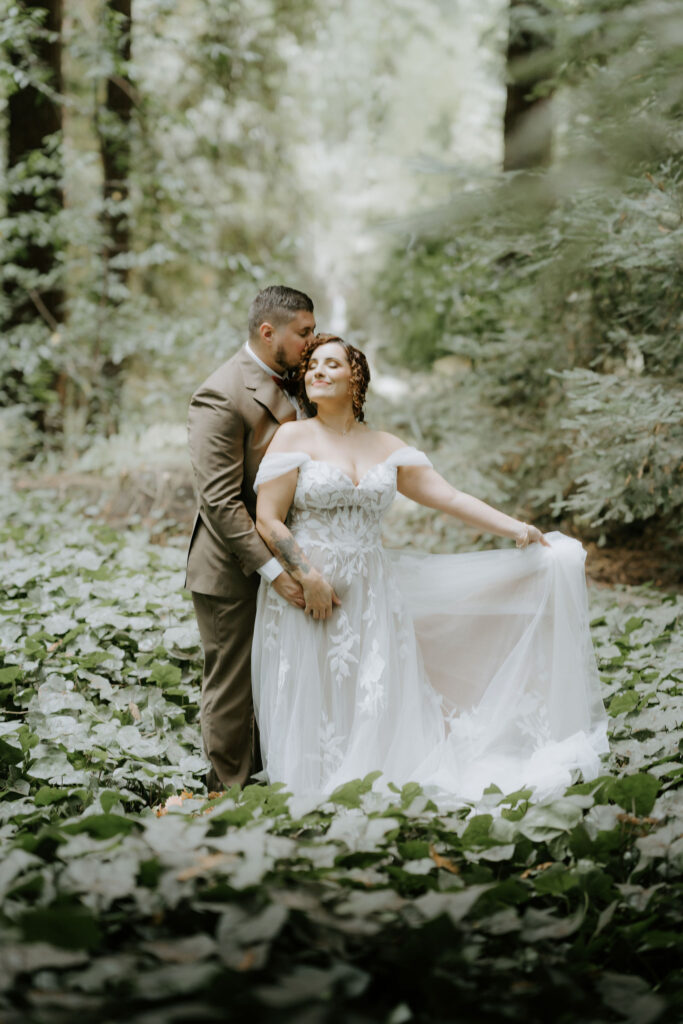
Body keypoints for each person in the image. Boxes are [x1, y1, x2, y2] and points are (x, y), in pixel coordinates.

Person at [251, 335, 609, 800]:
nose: (317, 371)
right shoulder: (293, 436)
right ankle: (309, 797)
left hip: (372, 593)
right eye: (313, 365)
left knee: (371, 692)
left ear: (355, 377)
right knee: (314, 692)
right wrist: (307, 576)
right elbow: (268, 518)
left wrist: (519, 529)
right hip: (309, 594)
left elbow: (450, 497)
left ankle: (371, 791)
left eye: (331, 364)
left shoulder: (386, 445)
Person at [185, 285, 316, 792]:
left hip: (289, 555)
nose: (311, 341)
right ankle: (228, 792)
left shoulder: (301, 380)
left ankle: (272, 774)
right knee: (234, 686)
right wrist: (275, 571)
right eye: (303, 332)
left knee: (276, 674)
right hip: (233, 568)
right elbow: (220, 503)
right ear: (268, 332)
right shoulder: (220, 394)